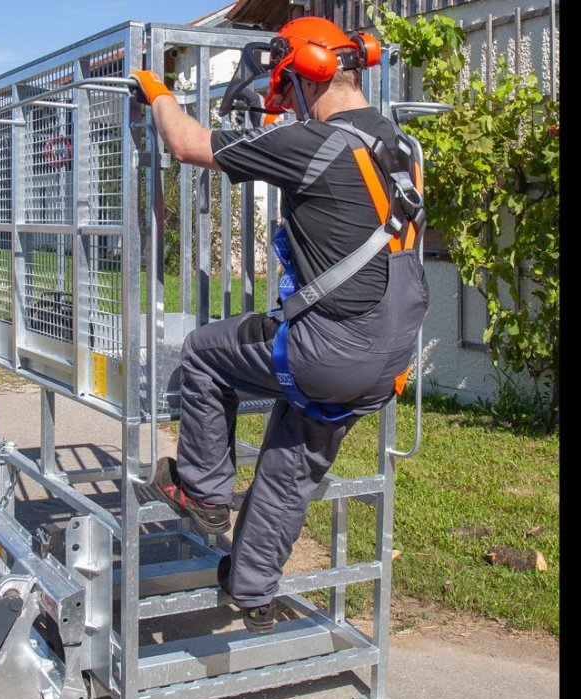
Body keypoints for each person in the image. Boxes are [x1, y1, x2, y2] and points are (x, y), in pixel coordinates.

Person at [130, 16, 429, 633]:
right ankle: (253, 586)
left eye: (286, 87)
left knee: (205, 352)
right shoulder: (397, 145)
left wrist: (158, 93)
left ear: (307, 77)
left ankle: (205, 491)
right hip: (389, 358)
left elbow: (187, 144)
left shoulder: (313, 145)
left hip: (330, 348)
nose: (284, 102)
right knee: (297, 453)